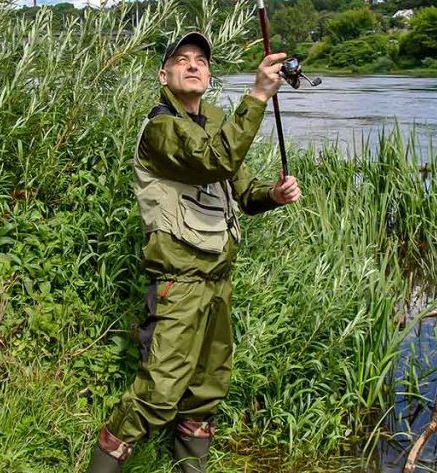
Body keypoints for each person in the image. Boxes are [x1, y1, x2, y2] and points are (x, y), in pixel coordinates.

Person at [86, 32, 302, 472]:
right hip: (179, 284)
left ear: (208, 74)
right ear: (164, 75)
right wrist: (259, 94)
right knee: (158, 393)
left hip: (218, 282)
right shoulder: (161, 129)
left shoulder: (215, 125)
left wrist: (273, 195)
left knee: (205, 389)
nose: (192, 65)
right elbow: (212, 162)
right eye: (181, 60)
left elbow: (241, 191)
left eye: (200, 61)